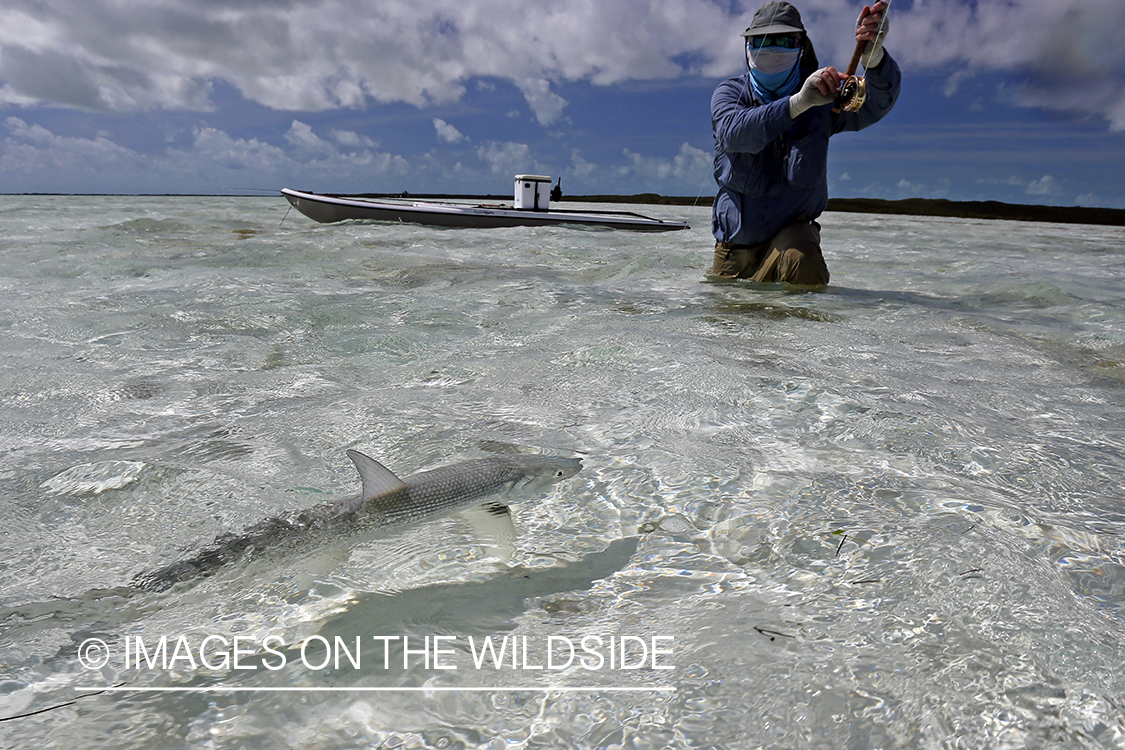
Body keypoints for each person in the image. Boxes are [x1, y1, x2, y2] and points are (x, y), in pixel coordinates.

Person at [709, 1, 900, 285]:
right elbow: (733, 133)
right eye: (761, 40)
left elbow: (876, 103)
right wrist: (797, 103)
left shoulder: (824, 95)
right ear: (747, 46)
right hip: (733, 255)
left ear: (801, 46)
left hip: (793, 242)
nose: (772, 47)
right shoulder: (729, 93)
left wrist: (873, 57)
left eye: (784, 39)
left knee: (802, 258)